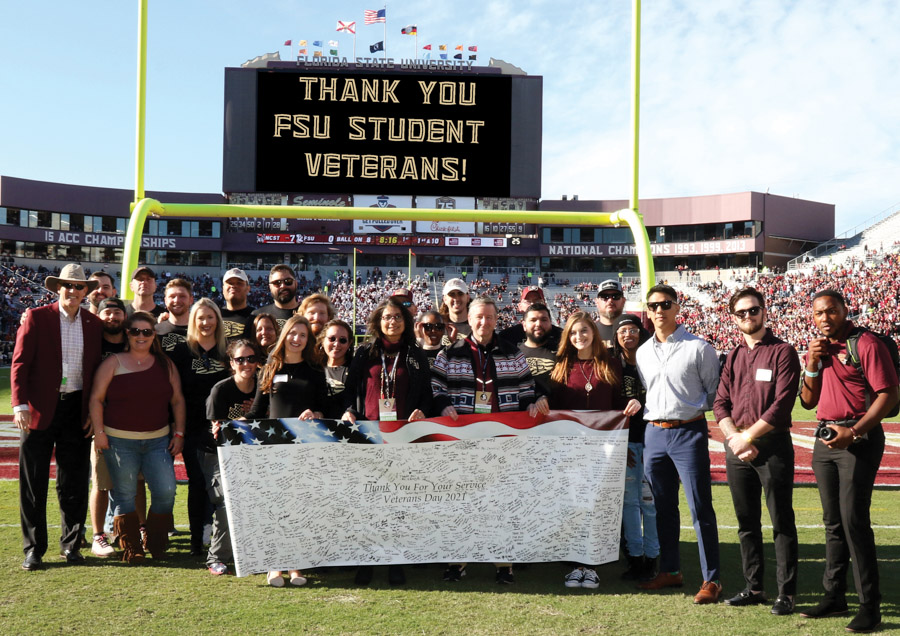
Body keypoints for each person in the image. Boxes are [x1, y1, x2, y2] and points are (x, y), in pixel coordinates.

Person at [798, 289, 898, 633]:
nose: (824, 318)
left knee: (854, 520)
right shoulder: (819, 349)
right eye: (818, 314)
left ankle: (870, 607)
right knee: (832, 522)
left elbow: (889, 394)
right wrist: (811, 363)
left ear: (844, 310)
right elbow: (808, 402)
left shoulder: (866, 343)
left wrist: (853, 432)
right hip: (825, 439)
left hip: (858, 439)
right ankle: (834, 596)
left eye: (831, 311)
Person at [432, 296, 538, 585]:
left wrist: (529, 403)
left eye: (489, 317)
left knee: (502, 502)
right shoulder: (450, 353)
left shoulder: (511, 352)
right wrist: (443, 404)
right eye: (478, 317)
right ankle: (458, 561)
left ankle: (504, 563)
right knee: (461, 502)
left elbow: (527, 384)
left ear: (496, 319)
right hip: (462, 438)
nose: (483, 322)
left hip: (502, 439)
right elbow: (436, 384)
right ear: (470, 318)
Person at [713, 288, 800, 616]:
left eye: (753, 311)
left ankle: (786, 592)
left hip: (772, 447)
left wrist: (746, 437)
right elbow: (720, 403)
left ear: (764, 311)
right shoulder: (733, 355)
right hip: (737, 448)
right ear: (733, 318)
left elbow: (782, 405)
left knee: (781, 521)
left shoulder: (783, 352)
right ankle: (755, 587)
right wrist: (735, 438)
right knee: (746, 522)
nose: (748, 317)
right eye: (741, 313)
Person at [539, 312, 641, 589]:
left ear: (594, 334)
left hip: (602, 449)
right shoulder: (561, 366)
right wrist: (541, 400)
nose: (579, 337)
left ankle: (592, 565)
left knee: (597, 506)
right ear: (568, 337)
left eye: (584, 331)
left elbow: (619, 400)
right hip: (570, 450)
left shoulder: (609, 364)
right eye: (573, 333)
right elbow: (553, 403)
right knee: (573, 506)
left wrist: (631, 404)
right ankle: (575, 565)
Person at [636, 284, 723, 604]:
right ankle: (670, 570)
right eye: (653, 305)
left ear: (677, 308)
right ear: (647, 311)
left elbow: (713, 393)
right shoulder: (642, 351)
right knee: (662, 508)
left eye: (666, 304)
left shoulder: (699, 347)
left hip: (688, 431)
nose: (659, 310)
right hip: (654, 433)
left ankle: (712, 579)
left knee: (700, 507)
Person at [12, 264, 103, 571]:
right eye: (68, 286)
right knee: (33, 481)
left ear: (85, 292)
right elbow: (20, 363)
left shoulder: (93, 323)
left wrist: (92, 410)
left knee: (74, 481)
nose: (73, 291)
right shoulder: (37, 317)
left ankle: (72, 544)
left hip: (76, 409)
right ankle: (34, 548)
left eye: (79, 287)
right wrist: (18, 404)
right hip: (39, 408)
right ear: (57, 287)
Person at [341, 298, 433, 586]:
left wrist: (423, 411)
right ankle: (366, 561)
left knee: (397, 502)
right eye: (387, 317)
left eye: (397, 317)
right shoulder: (365, 353)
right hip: (369, 435)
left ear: (405, 322)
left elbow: (427, 393)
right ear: (378, 321)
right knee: (367, 501)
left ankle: (395, 560)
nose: (392, 322)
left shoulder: (415, 355)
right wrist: (349, 410)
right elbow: (350, 389)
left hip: (402, 437)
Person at [89, 311, 186, 563]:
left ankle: (155, 541)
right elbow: (96, 399)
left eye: (147, 331)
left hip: (158, 441)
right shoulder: (113, 362)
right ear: (127, 334)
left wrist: (179, 433)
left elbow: (177, 400)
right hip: (119, 440)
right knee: (123, 494)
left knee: (166, 491)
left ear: (154, 334)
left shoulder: (166, 364)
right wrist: (99, 433)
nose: (141, 336)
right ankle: (132, 548)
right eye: (135, 331)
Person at [246, 314, 326, 588]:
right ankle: (274, 564)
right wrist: (229, 428)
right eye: (293, 333)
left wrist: (315, 412)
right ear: (285, 335)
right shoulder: (270, 365)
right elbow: (256, 411)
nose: (297, 339)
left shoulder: (315, 370)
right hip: (274, 448)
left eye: (303, 335)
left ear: (308, 340)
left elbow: (324, 409)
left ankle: (296, 565)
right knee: (275, 507)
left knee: (300, 507)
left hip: (305, 449)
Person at [168, 298, 230, 556]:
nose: (205, 322)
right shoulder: (182, 352)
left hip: (223, 428)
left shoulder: (228, 352)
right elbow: (175, 394)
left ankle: (220, 538)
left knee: (221, 485)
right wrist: (177, 429)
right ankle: (196, 541)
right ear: (193, 321)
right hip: (191, 426)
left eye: (210, 317)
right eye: (200, 318)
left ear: (218, 320)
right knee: (197, 483)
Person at [205, 338, 263, 576]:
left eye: (251, 358)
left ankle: (254, 552)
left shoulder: (263, 385)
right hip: (217, 452)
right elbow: (214, 428)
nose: (246, 364)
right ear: (231, 362)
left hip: (252, 454)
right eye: (240, 359)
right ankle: (216, 557)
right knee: (226, 502)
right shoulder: (221, 389)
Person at [613, 313, 659, 583]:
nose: (628, 335)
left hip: (653, 438)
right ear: (617, 338)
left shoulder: (651, 361)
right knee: (629, 503)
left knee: (649, 503)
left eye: (632, 330)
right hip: (626, 442)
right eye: (622, 331)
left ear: (641, 333)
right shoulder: (612, 365)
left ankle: (653, 557)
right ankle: (636, 557)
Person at [89, 298, 131, 558]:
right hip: (100, 420)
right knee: (101, 482)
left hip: (130, 420)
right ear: (99, 314)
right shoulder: (91, 341)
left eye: (117, 312)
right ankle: (98, 536)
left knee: (134, 482)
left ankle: (134, 531)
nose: (112, 316)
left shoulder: (133, 342)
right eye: (107, 311)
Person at [515, 303, 560, 397]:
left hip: (556, 410)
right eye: (533, 320)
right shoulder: (513, 355)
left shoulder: (562, 352)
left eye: (544, 320)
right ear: (524, 325)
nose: (538, 324)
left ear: (550, 324)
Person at [318, 319, 354, 419]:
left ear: (349, 343)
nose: (336, 344)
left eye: (342, 340)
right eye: (332, 339)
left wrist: (352, 412)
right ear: (322, 340)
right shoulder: (314, 368)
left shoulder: (356, 369)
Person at [252, 264, 300, 329]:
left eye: (288, 281)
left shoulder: (308, 314)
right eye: (277, 283)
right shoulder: (257, 316)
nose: (283, 286)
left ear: (296, 284)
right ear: (270, 287)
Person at [156, 278, 193, 352]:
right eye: (172, 296)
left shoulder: (200, 330)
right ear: (165, 301)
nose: (177, 300)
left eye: (182, 296)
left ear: (191, 300)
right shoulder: (156, 332)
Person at [220, 268, 255, 341]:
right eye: (230, 283)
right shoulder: (215, 316)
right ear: (223, 289)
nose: (234, 286)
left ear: (248, 289)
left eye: (239, 283)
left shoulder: (256, 317)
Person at [594, 279, 627, 348]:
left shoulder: (635, 332)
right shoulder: (589, 332)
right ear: (596, 302)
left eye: (616, 296)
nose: (610, 300)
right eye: (604, 297)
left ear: (623, 301)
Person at [439, 278, 471, 343]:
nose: (456, 298)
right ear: (445, 299)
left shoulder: (476, 326)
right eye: (452, 294)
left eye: (460, 293)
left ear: (468, 297)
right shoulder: (438, 326)